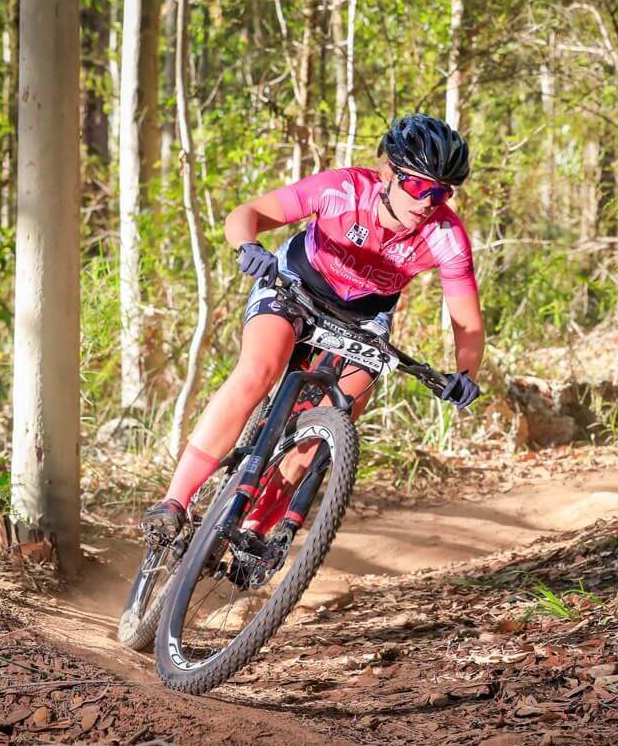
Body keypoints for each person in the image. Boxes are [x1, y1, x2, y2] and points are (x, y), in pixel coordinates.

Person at [141, 114, 484, 542]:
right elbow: (248, 213)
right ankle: (173, 502)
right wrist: (248, 246)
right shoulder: (342, 189)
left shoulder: (446, 234)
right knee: (258, 372)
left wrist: (466, 374)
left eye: (442, 192)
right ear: (387, 173)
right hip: (297, 285)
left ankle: (251, 532)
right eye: (417, 186)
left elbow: (466, 320)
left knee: (327, 427)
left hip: (364, 318)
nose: (428, 202)